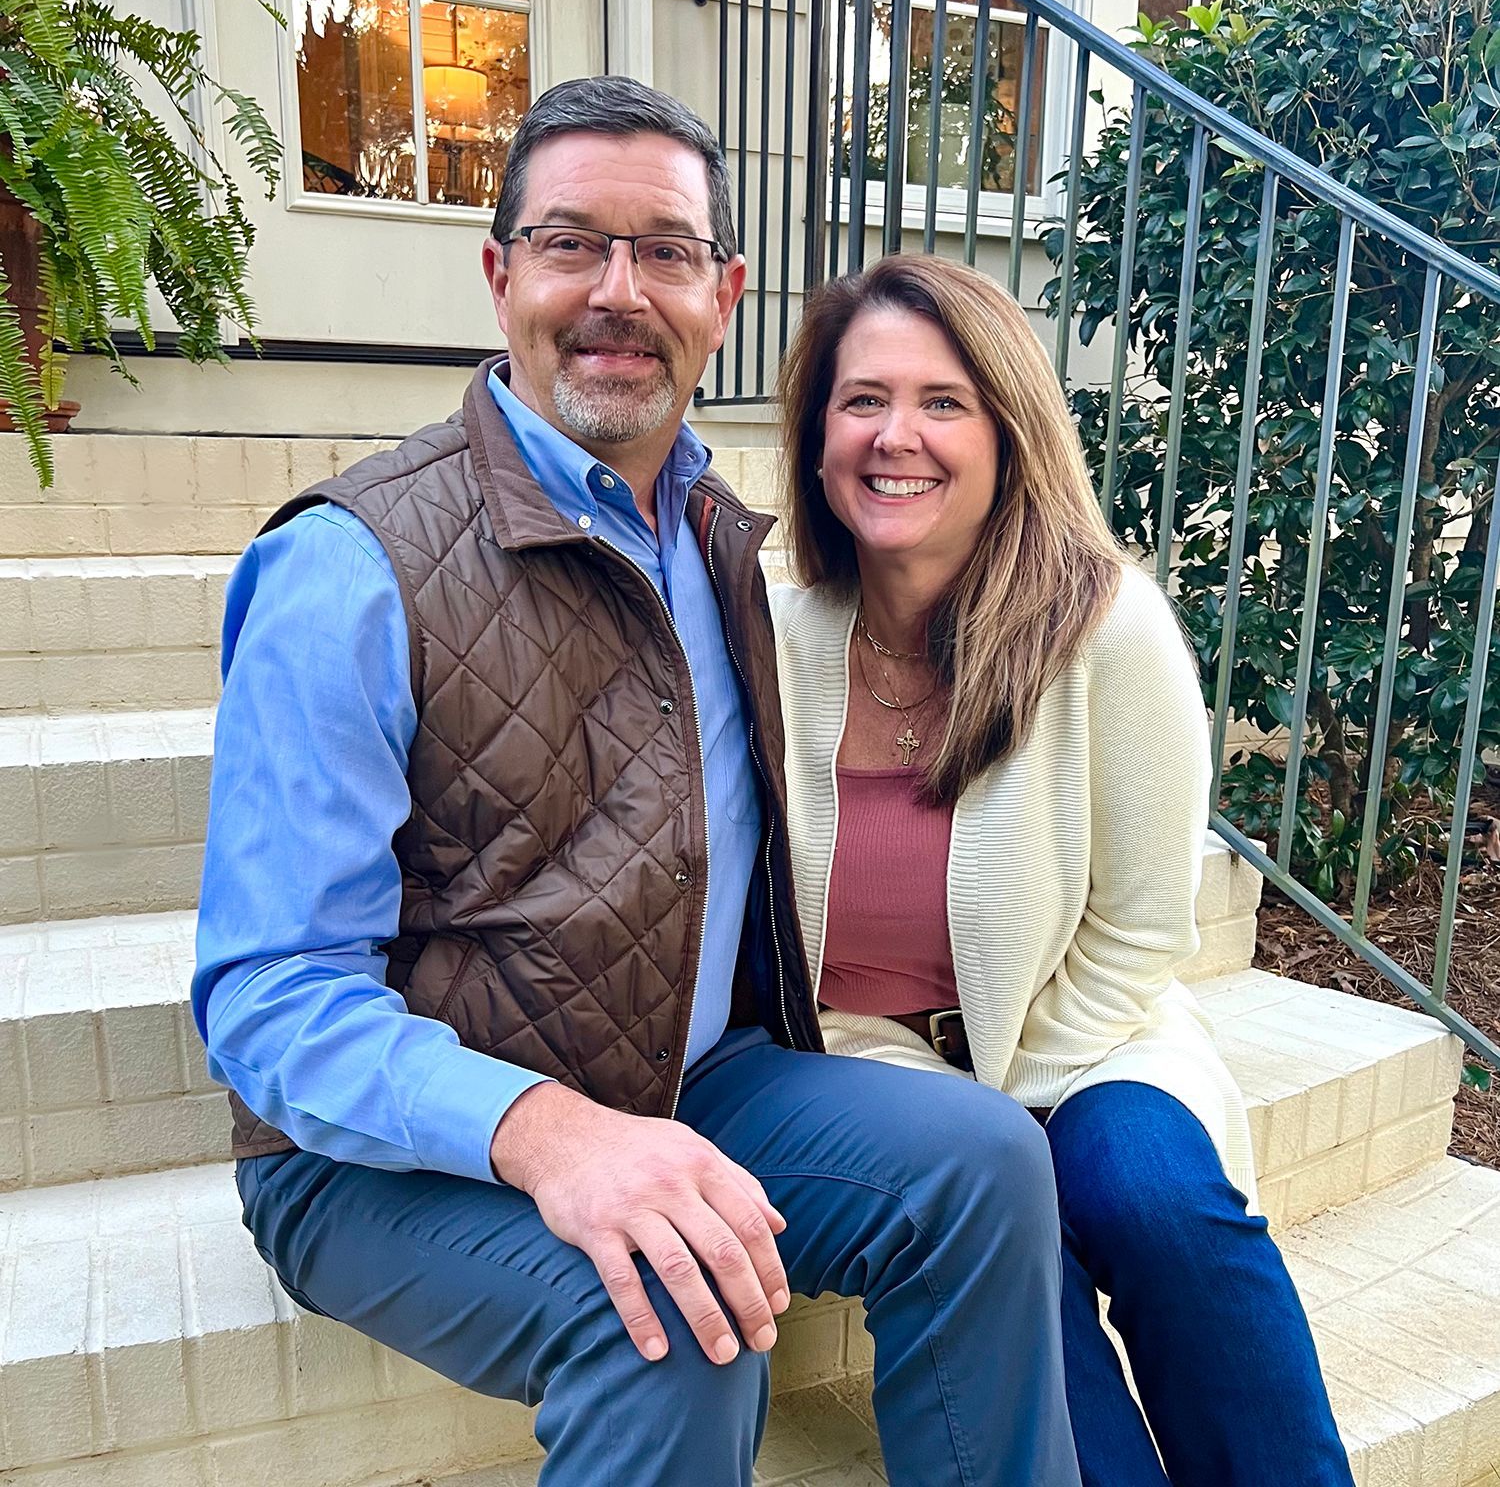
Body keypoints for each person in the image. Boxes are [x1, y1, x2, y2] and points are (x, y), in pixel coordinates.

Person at [192, 78, 1082, 1486]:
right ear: (500, 276)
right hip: (385, 1160)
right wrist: (548, 1135)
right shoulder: (350, 568)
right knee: (669, 1310)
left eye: (664, 250)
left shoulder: (728, 540)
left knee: (979, 1163)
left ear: (723, 293)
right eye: (570, 244)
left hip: (689, 1079)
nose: (619, 291)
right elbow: (270, 999)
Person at [770, 253, 1355, 1487]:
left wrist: (1014, 1100)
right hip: (864, 1048)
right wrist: (980, 1131)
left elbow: (1145, 925)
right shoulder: (773, 639)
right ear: (818, 433)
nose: (898, 436)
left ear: (1008, 432)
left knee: (1147, 1193)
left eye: (944, 401)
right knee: (998, 1235)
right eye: (862, 398)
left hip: (1084, 1030)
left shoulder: (1104, 627)